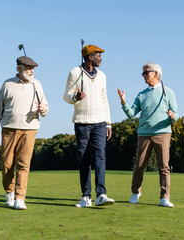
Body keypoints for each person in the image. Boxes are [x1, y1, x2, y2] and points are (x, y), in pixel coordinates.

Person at [0, 56, 49, 210]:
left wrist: (43, 109)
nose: (31, 71)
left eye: (33, 69)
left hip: (30, 129)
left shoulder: (37, 85)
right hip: (9, 129)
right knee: (7, 163)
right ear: (19, 69)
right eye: (28, 68)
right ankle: (10, 192)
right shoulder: (8, 84)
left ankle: (20, 198)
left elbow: (45, 105)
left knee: (24, 164)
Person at [117, 62, 178, 208]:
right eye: (143, 73)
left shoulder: (167, 92)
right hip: (144, 133)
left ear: (155, 73)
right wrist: (124, 102)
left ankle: (165, 197)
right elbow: (131, 114)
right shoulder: (142, 94)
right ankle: (135, 193)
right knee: (139, 165)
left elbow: (176, 113)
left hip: (163, 133)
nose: (144, 75)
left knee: (163, 166)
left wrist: (172, 115)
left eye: (146, 72)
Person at [63, 44, 115, 207]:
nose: (101, 58)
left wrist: (108, 123)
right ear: (90, 57)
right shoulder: (75, 73)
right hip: (82, 123)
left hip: (100, 122)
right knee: (84, 159)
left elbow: (104, 100)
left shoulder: (102, 76)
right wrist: (76, 97)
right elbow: (66, 96)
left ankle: (101, 194)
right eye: (99, 55)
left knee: (100, 157)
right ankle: (86, 196)